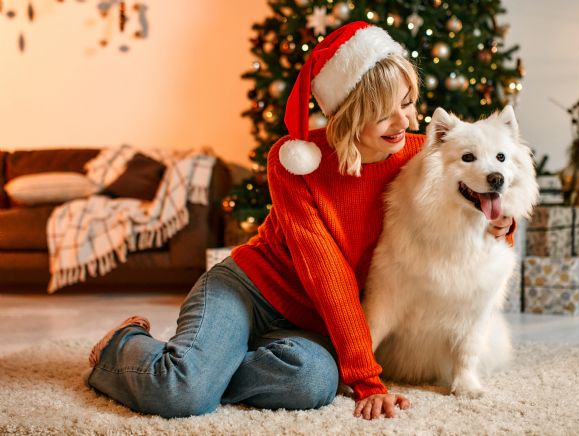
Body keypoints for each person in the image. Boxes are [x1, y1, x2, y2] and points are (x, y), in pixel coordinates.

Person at [85, 21, 515, 420]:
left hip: (311, 324)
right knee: (181, 393)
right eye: (386, 112)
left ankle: (210, 365)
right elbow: (327, 274)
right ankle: (123, 347)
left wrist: (501, 225)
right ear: (349, 114)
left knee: (313, 382)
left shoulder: (424, 155)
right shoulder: (295, 163)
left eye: (408, 103)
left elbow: (476, 184)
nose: (405, 121)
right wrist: (366, 381)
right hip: (249, 292)